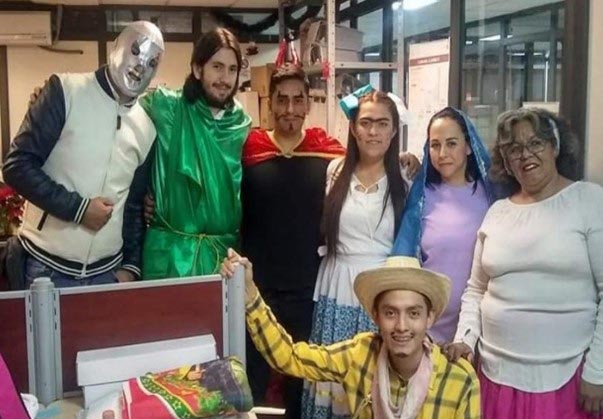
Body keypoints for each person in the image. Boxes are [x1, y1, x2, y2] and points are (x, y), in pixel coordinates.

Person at [445, 108, 603, 419]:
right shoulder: (497, 212)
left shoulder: (589, 200)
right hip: (494, 377)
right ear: (505, 161)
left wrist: (598, 371)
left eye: (535, 143)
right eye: (514, 149)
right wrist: (464, 339)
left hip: (569, 378)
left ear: (555, 147)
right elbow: (476, 290)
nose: (525, 154)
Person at [221, 248, 481, 419]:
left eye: (413, 313)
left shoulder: (459, 379)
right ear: (375, 316)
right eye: (391, 313)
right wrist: (250, 295)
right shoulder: (361, 354)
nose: (401, 326)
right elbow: (289, 358)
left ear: (429, 318)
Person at [2, 21, 164, 288]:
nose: (140, 66)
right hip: (46, 268)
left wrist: (130, 267)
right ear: (117, 47)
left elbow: (133, 205)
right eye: (135, 51)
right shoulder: (65, 91)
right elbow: (17, 165)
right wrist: (77, 209)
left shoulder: (146, 128)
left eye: (152, 62)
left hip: (107, 274)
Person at [241, 64, 346, 417]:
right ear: (270, 103)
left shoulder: (327, 153)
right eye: (282, 100)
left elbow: (368, 167)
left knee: (299, 384)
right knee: (251, 382)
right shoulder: (249, 150)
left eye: (297, 100)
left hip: (306, 289)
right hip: (256, 291)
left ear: (307, 104)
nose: (289, 109)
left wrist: (406, 162)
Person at [303, 86, 411, 419]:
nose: (373, 131)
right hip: (336, 286)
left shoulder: (405, 178)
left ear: (394, 130)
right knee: (334, 378)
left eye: (382, 123)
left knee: (375, 385)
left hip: (382, 292)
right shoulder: (334, 171)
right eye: (366, 123)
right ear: (353, 128)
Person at [141, 28, 252, 279]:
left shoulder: (241, 125)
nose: (225, 78)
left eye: (232, 69)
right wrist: (142, 195)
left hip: (222, 259)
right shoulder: (167, 108)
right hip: (168, 256)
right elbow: (123, 136)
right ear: (197, 68)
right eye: (217, 67)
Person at [391, 107, 495, 343]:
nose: (442, 153)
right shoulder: (420, 197)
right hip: (427, 329)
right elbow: (404, 258)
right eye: (435, 145)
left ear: (468, 146)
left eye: (451, 144)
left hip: (478, 329)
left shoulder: (491, 197)